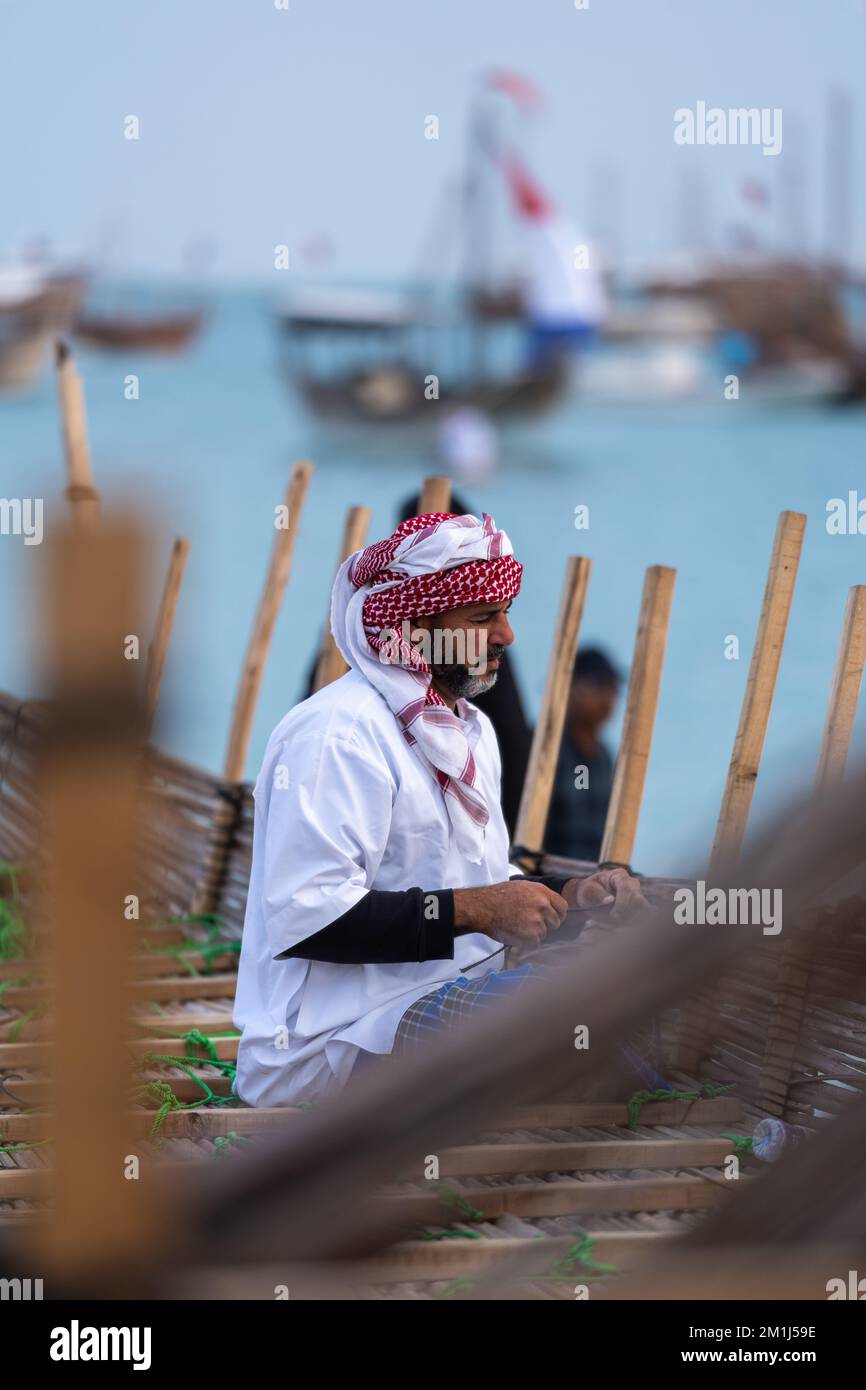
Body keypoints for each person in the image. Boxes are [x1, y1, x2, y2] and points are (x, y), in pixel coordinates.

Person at [234, 510, 644, 1106]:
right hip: (334, 1050)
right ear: (416, 624)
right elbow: (310, 918)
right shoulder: (336, 734)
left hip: (441, 1007)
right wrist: (480, 911)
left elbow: (476, 885)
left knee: (639, 979)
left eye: (505, 614)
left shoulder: (467, 730)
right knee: (556, 1007)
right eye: (483, 618)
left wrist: (575, 893)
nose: (507, 635)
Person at [544, 648, 622, 863]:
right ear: (568, 687)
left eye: (613, 688)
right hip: (548, 881)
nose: (608, 697)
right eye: (598, 685)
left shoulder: (603, 756)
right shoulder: (542, 749)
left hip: (594, 881)